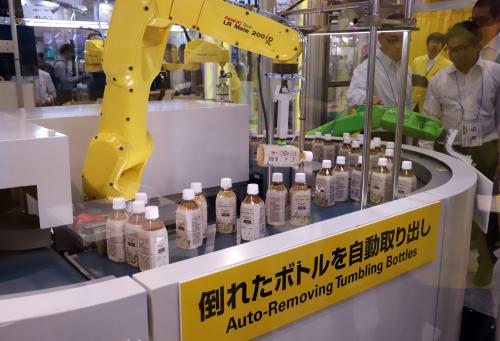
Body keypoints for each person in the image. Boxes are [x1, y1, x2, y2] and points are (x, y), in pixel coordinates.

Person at [424, 21, 500, 286]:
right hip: (450, 149)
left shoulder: (495, 74)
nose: (455, 55)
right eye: (451, 50)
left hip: (486, 148)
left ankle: (486, 260)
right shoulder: (439, 80)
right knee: (455, 205)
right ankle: (453, 257)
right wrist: (427, 155)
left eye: (461, 48)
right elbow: (430, 120)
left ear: (477, 45)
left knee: (484, 207)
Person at [347, 29, 412, 108]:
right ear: (380, 39)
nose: (399, 45)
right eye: (392, 40)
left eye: (406, 40)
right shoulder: (367, 68)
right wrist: (366, 99)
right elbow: (354, 94)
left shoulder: (406, 68)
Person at [411, 32, 451, 112]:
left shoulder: (448, 65)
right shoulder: (417, 61)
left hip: (432, 105)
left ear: (442, 46)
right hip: (413, 103)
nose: (435, 45)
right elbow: (410, 83)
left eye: (438, 43)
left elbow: (447, 88)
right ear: (427, 44)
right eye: (433, 42)